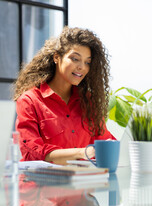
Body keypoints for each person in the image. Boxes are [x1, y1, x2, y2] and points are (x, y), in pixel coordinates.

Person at [14, 26, 116, 164]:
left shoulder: (88, 101)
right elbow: (32, 152)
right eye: (75, 59)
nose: (82, 67)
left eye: (87, 62)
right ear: (57, 57)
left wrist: (114, 146)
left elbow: (103, 139)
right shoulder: (30, 101)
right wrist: (82, 153)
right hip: (43, 183)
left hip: (83, 182)